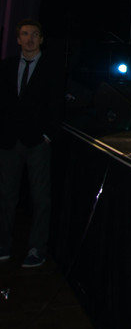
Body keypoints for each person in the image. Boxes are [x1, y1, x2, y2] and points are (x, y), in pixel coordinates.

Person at [0, 19, 65, 268]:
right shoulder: (6, 66)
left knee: (41, 198)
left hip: (37, 142)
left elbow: (57, 104)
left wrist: (47, 135)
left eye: (34, 34)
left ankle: (37, 248)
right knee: (5, 196)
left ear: (41, 39)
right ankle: (3, 244)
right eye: (25, 34)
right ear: (18, 39)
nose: (29, 39)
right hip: (9, 141)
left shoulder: (52, 67)